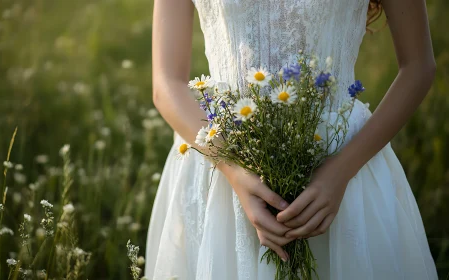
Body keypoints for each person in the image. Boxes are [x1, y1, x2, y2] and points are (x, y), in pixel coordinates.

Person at [146, 0, 438, 279]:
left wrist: (340, 172)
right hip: (221, 166)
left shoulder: (342, 172)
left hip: (343, 169)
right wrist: (234, 170)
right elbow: (166, 82)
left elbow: (417, 66)